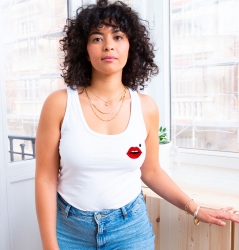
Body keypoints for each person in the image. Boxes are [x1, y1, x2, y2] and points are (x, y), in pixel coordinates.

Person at [35, 0, 239, 249]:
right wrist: (49, 245)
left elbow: (151, 171)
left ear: (131, 46)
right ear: (84, 49)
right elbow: (45, 179)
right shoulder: (59, 104)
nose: (108, 45)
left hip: (129, 230)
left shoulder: (146, 107)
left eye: (118, 36)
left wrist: (195, 209)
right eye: (97, 38)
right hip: (70, 231)